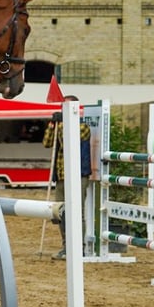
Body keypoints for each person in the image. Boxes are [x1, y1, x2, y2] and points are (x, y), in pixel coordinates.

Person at [42, 95, 92, 260]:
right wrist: (51, 125)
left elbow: (66, 139)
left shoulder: (83, 127)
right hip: (62, 176)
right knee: (60, 212)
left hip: (78, 176)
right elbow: (47, 143)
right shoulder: (60, 125)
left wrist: (61, 123)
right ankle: (66, 246)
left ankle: (79, 247)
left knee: (78, 212)